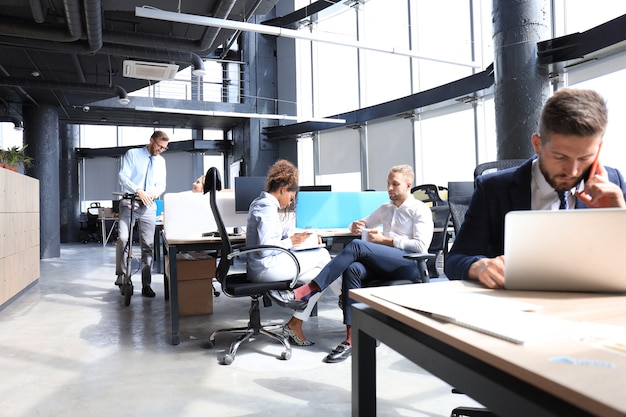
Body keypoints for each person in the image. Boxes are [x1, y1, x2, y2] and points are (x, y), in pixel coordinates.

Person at [445, 88, 626, 288]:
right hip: (519, 308)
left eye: (584, 158)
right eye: (560, 157)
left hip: (593, 306)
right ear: (537, 144)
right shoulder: (493, 189)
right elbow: (455, 261)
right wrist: (479, 266)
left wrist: (619, 217)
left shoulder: (614, 183)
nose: (573, 171)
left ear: (599, 148)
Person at [270, 164, 434, 363]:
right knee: (353, 269)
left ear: (408, 185)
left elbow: (421, 247)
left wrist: (386, 241)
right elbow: (359, 225)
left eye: (395, 184)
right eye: (388, 184)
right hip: (385, 263)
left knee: (357, 247)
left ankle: (306, 291)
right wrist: (354, 225)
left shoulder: (420, 210)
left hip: (407, 265)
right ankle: (352, 337)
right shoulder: (386, 209)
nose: (390, 188)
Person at [246, 159, 332, 346]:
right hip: (265, 269)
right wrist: (291, 242)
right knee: (324, 257)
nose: (290, 201)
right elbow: (265, 249)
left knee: (320, 277)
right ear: (284, 188)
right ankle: (346, 302)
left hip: (267, 265)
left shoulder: (264, 204)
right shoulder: (266, 207)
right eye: (291, 196)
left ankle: (295, 320)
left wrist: (303, 236)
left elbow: (280, 235)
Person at [115, 130, 169, 297]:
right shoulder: (133, 154)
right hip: (130, 201)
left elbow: (162, 185)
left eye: (164, 148)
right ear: (151, 140)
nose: (160, 150)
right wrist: (138, 190)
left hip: (149, 205)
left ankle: (147, 284)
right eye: (159, 146)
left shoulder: (161, 162)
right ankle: (122, 275)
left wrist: (153, 193)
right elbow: (122, 176)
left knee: (148, 246)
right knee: (123, 238)